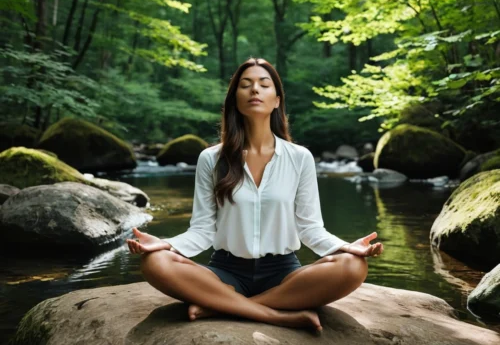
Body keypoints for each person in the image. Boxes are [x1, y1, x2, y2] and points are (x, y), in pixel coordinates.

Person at [126, 57, 384, 332]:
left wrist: (346, 247)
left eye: (264, 84)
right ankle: (277, 315)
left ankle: (221, 306)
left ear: (276, 100)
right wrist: (166, 245)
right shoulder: (210, 159)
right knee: (154, 262)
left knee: (353, 267)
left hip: (284, 274)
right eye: (245, 85)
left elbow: (310, 229)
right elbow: (202, 231)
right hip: (225, 272)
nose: (254, 90)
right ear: (235, 100)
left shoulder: (300, 158)